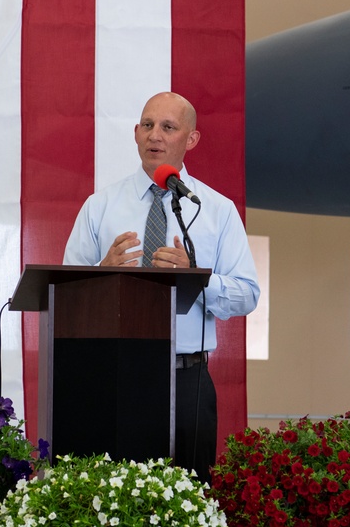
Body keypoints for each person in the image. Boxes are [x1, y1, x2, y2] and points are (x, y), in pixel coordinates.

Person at [63, 91, 259, 482]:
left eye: (168, 127)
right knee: (110, 498)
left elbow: (247, 293)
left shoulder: (216, 210)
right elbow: (65, 293)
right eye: (148, 125)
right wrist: (102, 271)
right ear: (136, 133)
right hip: (113, 375)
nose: (155, 135)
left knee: (188, 498)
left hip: (185, 380)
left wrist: (197, 277)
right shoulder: (100, 206)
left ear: (191, 139)